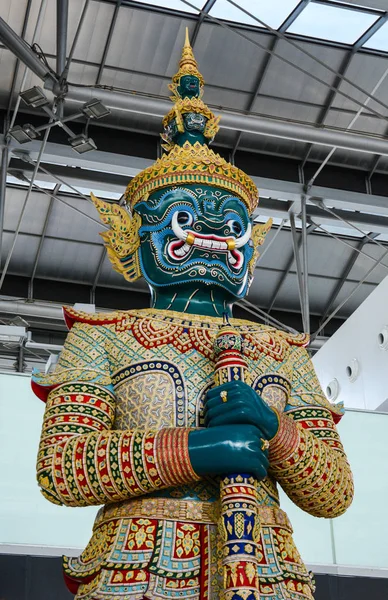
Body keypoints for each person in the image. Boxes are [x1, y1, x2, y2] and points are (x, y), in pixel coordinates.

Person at [32, 30, 353, 600]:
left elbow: (334, 492)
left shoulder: (283, 353)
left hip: (266, 568)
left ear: (251, 248)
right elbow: (62, 465)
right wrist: (196, 450)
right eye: (184, 215)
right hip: (140, 566)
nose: (210, 234)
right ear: (133, 237)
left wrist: (276, 432)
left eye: (231, 225)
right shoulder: (104, 338)